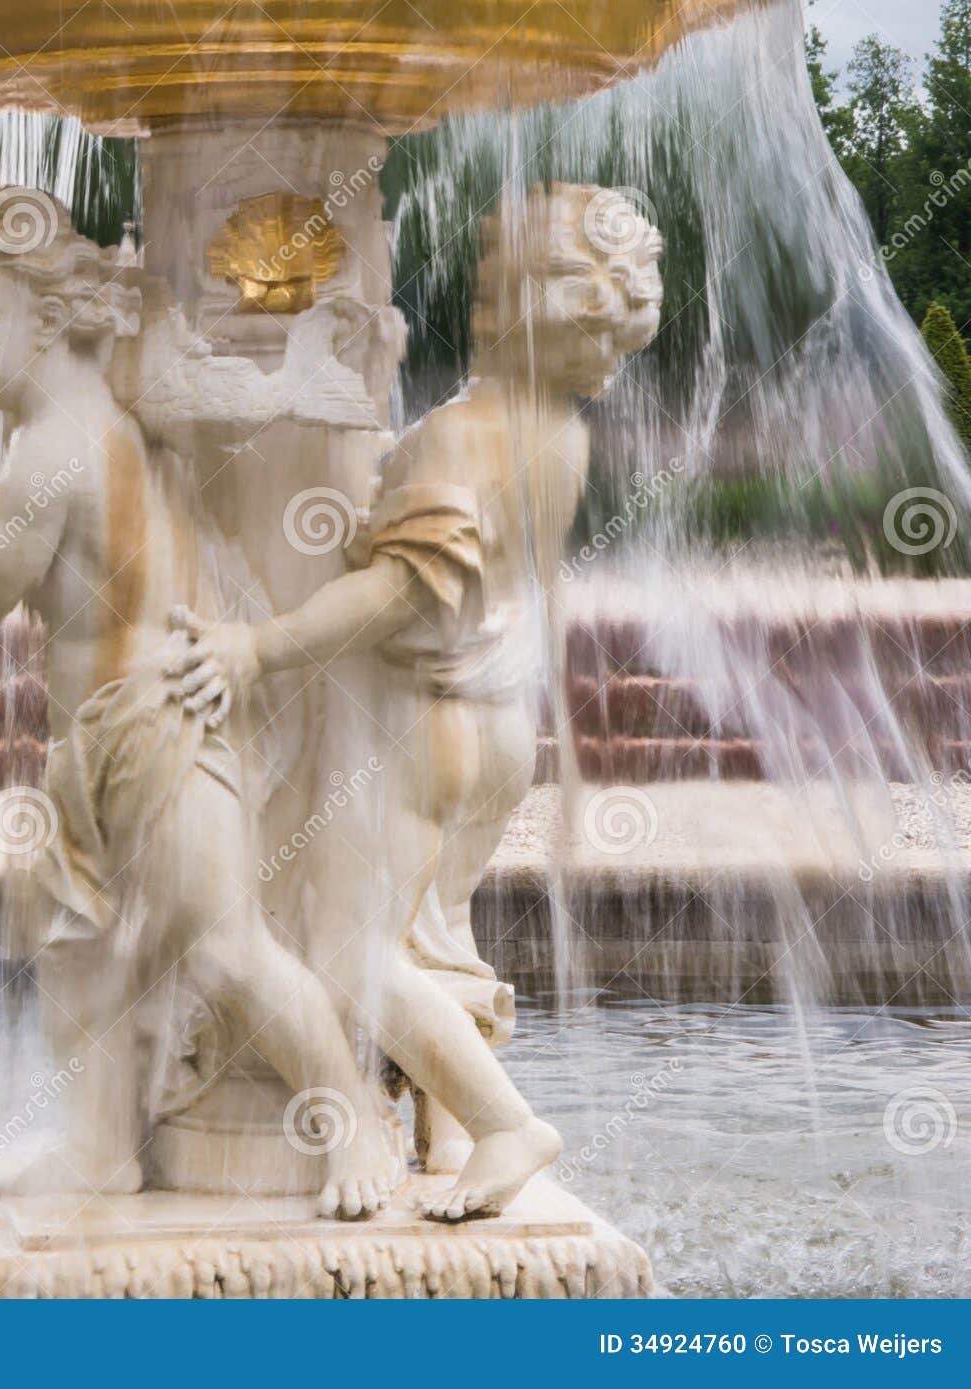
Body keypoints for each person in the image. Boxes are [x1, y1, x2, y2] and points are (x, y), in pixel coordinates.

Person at [168, 184, 664, 1217]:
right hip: (494, 725)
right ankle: (443, 1135)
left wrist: (255, 646)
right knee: (429, 930)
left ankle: (502, 1125)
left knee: (344, 956)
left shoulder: (460, 436)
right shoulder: (559, 433)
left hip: (410, 725)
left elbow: (399, 591)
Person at [0, 188, 392, 1219]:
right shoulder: (110, 420)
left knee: (223, 946)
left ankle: (350, 1125)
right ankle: (97, 1151)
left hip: (153, 730)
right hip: (106, 742)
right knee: (78, 950)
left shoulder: (47, 449)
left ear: (46, 324)